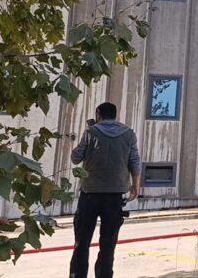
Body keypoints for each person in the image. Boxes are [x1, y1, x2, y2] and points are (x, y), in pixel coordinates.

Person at [69, 102, 141, 278]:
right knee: (108, 244)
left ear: (98, 114)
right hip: (115, 196)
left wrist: (91, 137)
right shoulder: (129, 134)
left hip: (90, 194)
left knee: (82, 242)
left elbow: (75, 158)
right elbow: (135, 162)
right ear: (115, 115)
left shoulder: (91, 132)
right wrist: (135, 186)